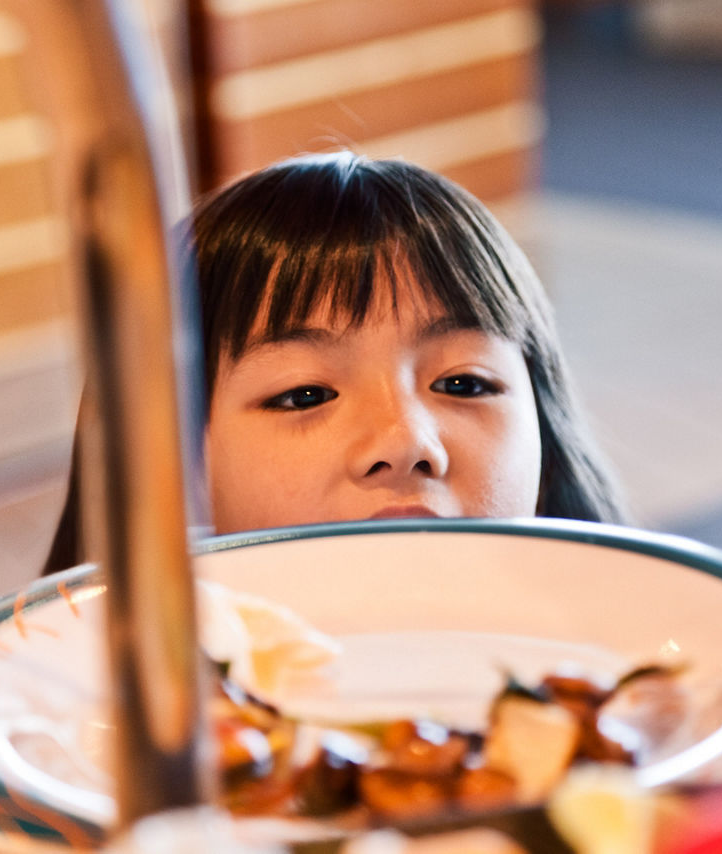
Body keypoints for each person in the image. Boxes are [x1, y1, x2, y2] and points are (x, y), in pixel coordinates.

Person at [45, 152, 625, 570]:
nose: (405, 445)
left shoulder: (649, 674)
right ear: (171, 472)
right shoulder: (73, 715)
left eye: (463, 383)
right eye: (305, 395)